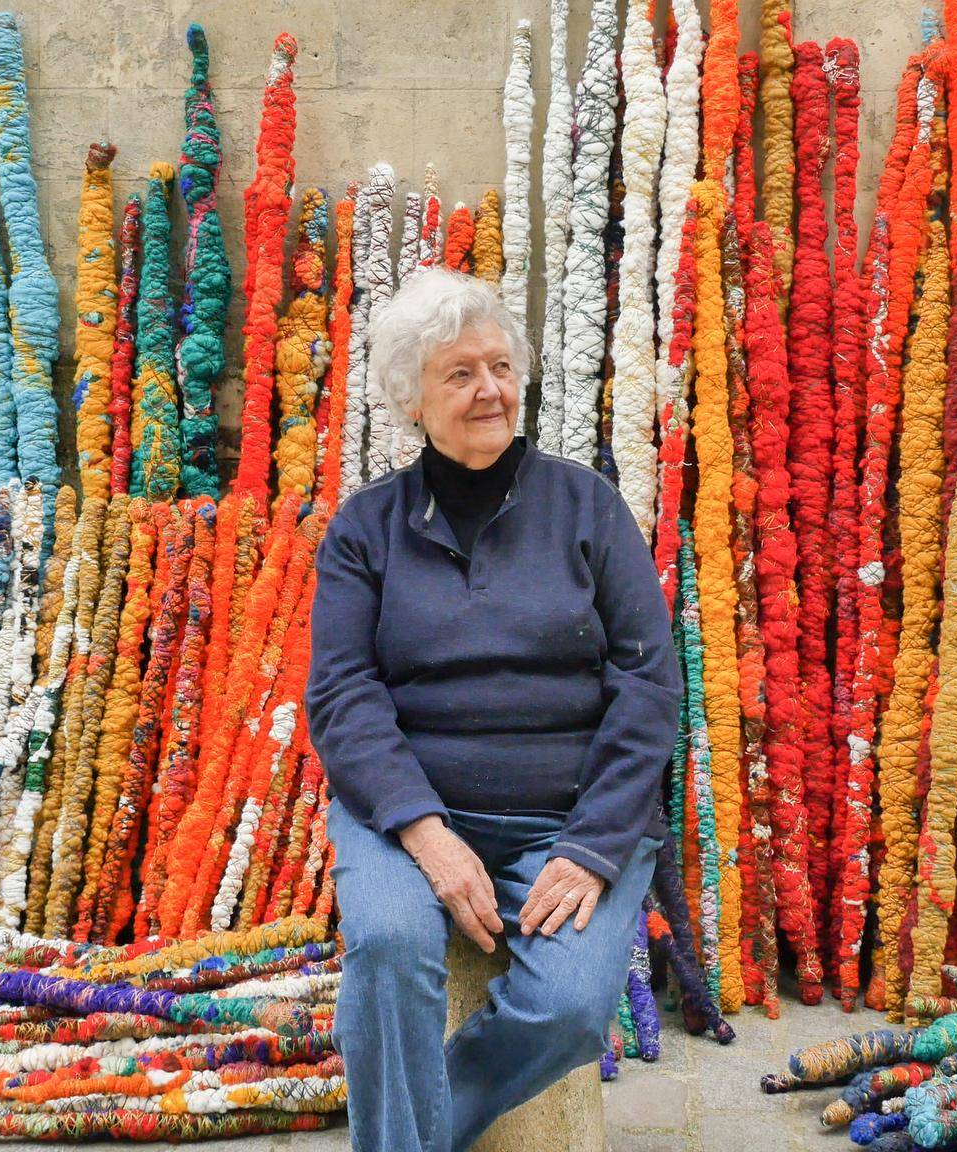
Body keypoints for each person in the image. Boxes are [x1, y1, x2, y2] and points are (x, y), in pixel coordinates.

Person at [306, 268, 683, 1151]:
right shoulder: (366, 529)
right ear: (412, 401)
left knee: (573, 1004)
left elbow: (648, 681)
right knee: (392, 947)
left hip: (569, 813)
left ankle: (407, 1131)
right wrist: (424, 832)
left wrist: (592, 849)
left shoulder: (587, 508)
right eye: (461, 374)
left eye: (502, 367)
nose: (491, 390)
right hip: (409, 811)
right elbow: (342, 692)